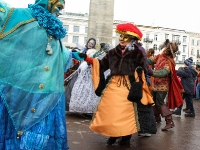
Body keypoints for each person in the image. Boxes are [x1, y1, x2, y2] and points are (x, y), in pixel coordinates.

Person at [0, 0, 73, 149]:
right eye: (58, 6)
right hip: (19, 90)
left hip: (48, 95)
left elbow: (60, 56)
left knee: (41, 137)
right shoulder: (20, 16)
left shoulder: (55, 30)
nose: (60, 10)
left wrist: (72, 55)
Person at [74, 23, 156, 145]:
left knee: (126, 113)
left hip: (128, 86)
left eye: (125, 37)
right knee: (110, 110)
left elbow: (144, 68)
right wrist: (87, 58)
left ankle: (126, 137)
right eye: (121, 36)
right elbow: (101, 64)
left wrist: (140, 70)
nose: (122, 39)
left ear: (132, 39)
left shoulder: (137, 53)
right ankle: (113, 134)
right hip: (113, 85)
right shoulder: (112, 52)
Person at [152, 39, 184, 131]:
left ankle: (170, 122)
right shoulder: (160, 56)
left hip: (163, 86)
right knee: (153, 101)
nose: (164, 50)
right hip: (155, 84)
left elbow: (164, 72)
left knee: (160, 103)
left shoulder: (168, 61)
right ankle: (156, 118)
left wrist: (152, 72)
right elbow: (151, 60)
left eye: (166, 49)